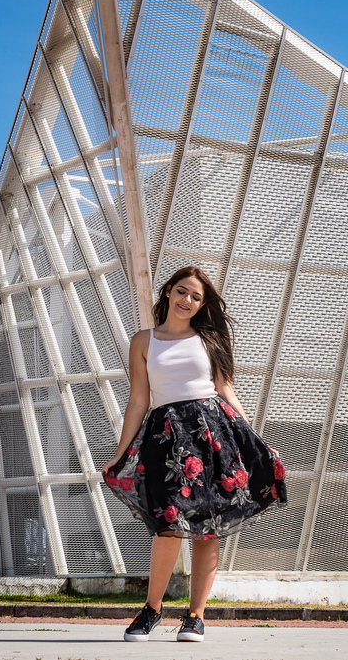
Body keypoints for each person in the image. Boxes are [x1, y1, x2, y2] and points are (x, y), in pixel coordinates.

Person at [102, 266, 287, 642]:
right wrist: (121, 452)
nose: (187, 300)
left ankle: (195, 616)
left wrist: (256, 441)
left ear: (203, 304)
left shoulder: (210, 339)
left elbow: (226, 391)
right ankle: (152, 610)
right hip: (166, 439)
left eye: (196, 297)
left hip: (212, 434)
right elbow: (139, 400)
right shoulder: (143, 340)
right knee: (169, 520)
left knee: (208, 527)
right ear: (168, 291)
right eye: (182, 292)